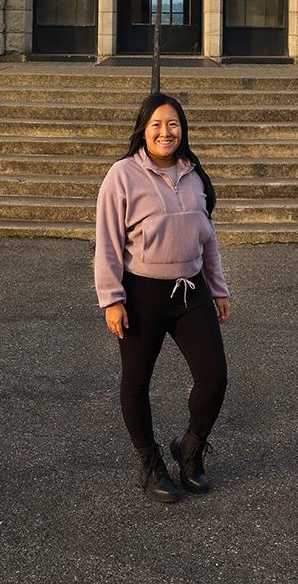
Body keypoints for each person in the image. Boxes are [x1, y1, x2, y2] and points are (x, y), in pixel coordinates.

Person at [94, 91, 231, 503]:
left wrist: (219, 288)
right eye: (156, 124)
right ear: (143, 130)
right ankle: (150, 462)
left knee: (214, 377)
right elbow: (107, 241)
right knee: (136, 383)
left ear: (182, 130)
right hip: (142, 295)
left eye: (172, 124)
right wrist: (111, 298)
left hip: (191, 291)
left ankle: (190, 448)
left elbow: (207, 239)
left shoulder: (194, 174)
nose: (165, 132)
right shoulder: (122, 175)